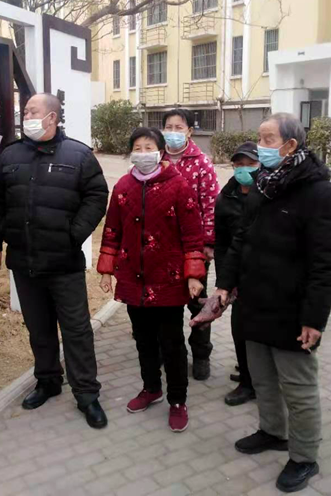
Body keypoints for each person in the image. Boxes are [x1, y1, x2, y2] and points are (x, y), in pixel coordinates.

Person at [214, 113, 331, 493]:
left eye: (268, 139)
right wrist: (224, 284)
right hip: (254, 303)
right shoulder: (263, 185)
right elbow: (241, 240)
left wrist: (314, 319)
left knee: (298, 389)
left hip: (292, 311)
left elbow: (326, 264)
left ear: (290, 146)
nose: (261, 147)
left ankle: (304, 456)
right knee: (263, 379)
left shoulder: (321, 195)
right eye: (259, 138)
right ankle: (273, 432)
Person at [0, 93, 109, 429]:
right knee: (39, 329)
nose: (26, 116)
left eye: (32, 111)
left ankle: (87, 394)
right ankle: (48, 380)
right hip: (24, 261)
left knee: (76, 330)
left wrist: (73, 234)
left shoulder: (79, 155)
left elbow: (97, 196)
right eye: (25, 112)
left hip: (64, 264)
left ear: (51, 117)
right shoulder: (10, 155)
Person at [97, 127, 206, 432]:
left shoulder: (178, 185)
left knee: (172, 344)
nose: (143, 153)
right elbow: (112, 230)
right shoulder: (123, 186)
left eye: (149, 147)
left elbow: (192, 234)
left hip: (168, 279)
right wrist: (107, 269)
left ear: (160, 152)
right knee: (143, 340)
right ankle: (151, 388)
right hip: (133, 278)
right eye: (138, 147)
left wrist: (193, 275)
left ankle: (178, 400)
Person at [161, 108, 219, 381]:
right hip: (162, 247)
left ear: (189, 131)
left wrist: (208, 243)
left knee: (198, 303)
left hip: (193, 246)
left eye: (179, 127)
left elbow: (210, 205)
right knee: (167, 304)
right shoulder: (155, 158)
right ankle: (172, 353)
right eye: (168, 127)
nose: (173, 132)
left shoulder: (201, 163)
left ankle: (201, 354)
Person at [214, 142, 259, 407]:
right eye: (239, 165)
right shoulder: (226, 197)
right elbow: (221, 244)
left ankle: (254, 379)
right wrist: (224, 281)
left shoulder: (267, 195)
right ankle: (247, 379)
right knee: (239, 328)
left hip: (263, 275)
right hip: (236, 274)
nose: (244, 170)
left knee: (257, 330)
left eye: (250, 164)